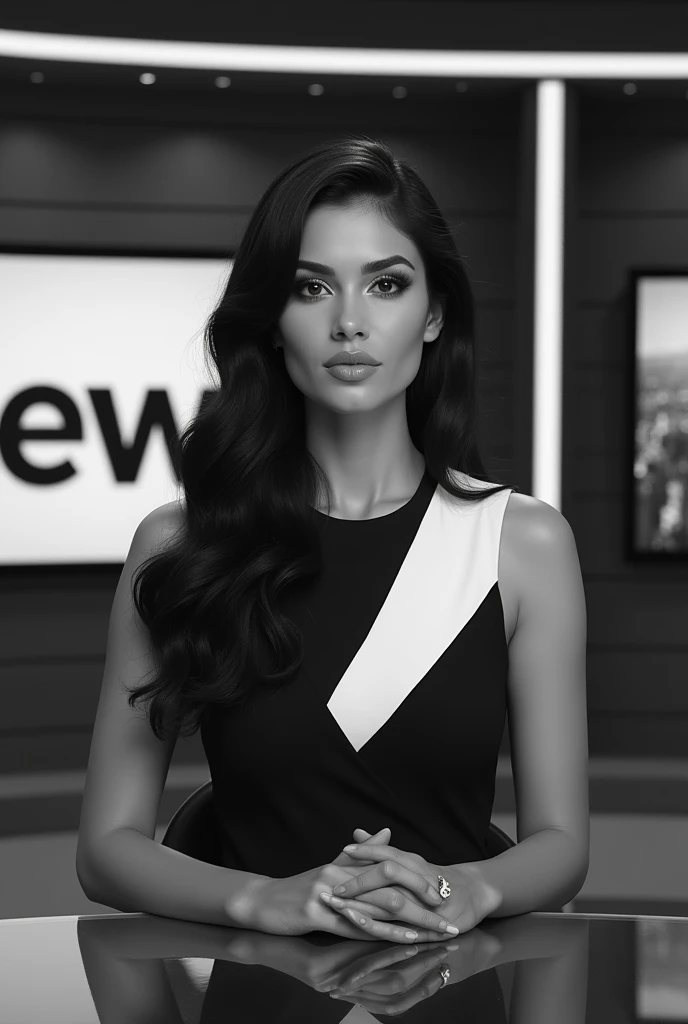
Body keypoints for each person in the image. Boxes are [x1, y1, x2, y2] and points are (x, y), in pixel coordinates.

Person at [76, 135, 590, 946]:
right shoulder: (181, 543)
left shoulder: (521, 542)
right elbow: (106, 850)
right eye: (311, 288)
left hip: (453, 979)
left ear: (435, 314)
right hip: (255, 987)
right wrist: (266, 899)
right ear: (272, 322)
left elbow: (562, 844)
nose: (350, 322)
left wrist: (468, 889)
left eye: (386, 284)